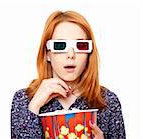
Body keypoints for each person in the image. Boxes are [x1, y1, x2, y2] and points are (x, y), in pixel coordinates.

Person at [11, 10, 126, 139]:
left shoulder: (108, 102)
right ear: (47, 54)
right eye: (60, 45)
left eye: (81, 45)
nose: (71, 55)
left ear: (89, 54)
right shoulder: (24, 100)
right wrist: (34, 107)